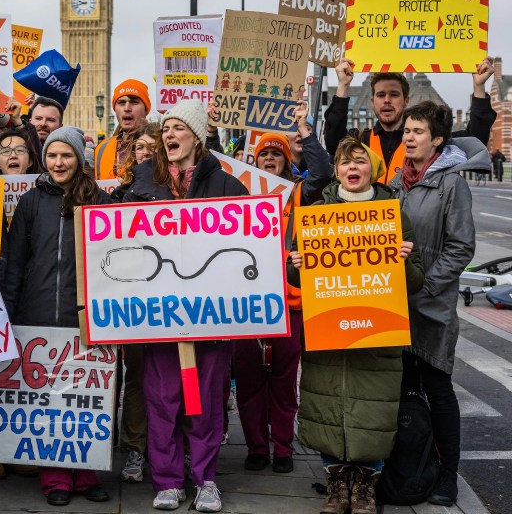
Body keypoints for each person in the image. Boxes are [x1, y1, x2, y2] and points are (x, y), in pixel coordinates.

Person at [120, 100, 246, 512]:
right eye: (165, 129)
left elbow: (251, 238)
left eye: (178, 128)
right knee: (163, 400)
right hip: (157, 318)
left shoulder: (227, 185)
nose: (169, 135)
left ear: (196, 136)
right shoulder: (140, 184)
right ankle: (169, 480)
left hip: (209, 318)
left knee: (205, 401)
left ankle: (206, 479)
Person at [289, 136, 425, 514]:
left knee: (373, 414)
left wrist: (402, 261)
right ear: (336, 170)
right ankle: (336, 484)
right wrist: (296, 265)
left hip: (377, 336)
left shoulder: (394, 214)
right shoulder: (317, 213)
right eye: (345, 162)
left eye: (360, 162)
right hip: (329, 336)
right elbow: (299, 279)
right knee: (328, 411)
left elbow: (415, 283)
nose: (353, 168)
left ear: (373, 170)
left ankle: (365, 486)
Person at [2, 127, 112, 506]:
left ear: (80, 159)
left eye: (66, 155)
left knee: (86, 399)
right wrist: (10, 317)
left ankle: (85, 475)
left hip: (86, 318)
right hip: (38, 316)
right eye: (52, 155)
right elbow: (15, 263)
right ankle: (55, 480)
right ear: (43, 159)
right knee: (49, 400)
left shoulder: (101, 200)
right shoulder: (31, 202)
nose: (59, 162)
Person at [388, 101, 490, 507]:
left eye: (417, 132)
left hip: (430, 306)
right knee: (400, 390)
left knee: (438, 389)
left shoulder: (451, 184)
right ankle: (407, 469)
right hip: (395, 306)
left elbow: (461, 246)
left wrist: (425, 285)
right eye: (407, 132)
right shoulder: (396, 183)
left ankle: (448, 474)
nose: (408, 138)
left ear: (437, 141)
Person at [233, 102, 331, 475]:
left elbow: (322, 171)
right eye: (264, 154)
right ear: (255, 161)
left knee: (284, 385)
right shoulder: (239, 192)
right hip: (246, 307)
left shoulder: (299, 193)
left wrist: (305, 129)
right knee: (249, 384)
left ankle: (283, 449)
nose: (270, 159)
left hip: (289, 307)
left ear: (287, 160)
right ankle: (257, 448)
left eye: (277, 154)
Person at [324, 57, 496, 183]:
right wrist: (343, 86)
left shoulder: (428, 141)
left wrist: (479, 87)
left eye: (394, 95)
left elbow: (475, 139)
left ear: (406, 100)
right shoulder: (360, 140)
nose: (386, 100)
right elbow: (333, 142)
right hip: (375, 228)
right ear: (372, 102)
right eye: (381, 95)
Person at [107, 121, 159, 484]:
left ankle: (169, 448)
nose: (144, 152)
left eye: (150, 147)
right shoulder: (121, 192)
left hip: (171, 300)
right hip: (135, 300)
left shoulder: (175, 189)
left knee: (170, 380)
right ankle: (135, 450)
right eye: (139, 147)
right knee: (137, 379)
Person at [95, 79, 151, 179]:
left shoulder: (160, 146)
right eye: (121, 102)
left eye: (134, 102)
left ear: (146, 109)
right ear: (115, 109)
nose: (127, 108)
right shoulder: (101, 148)